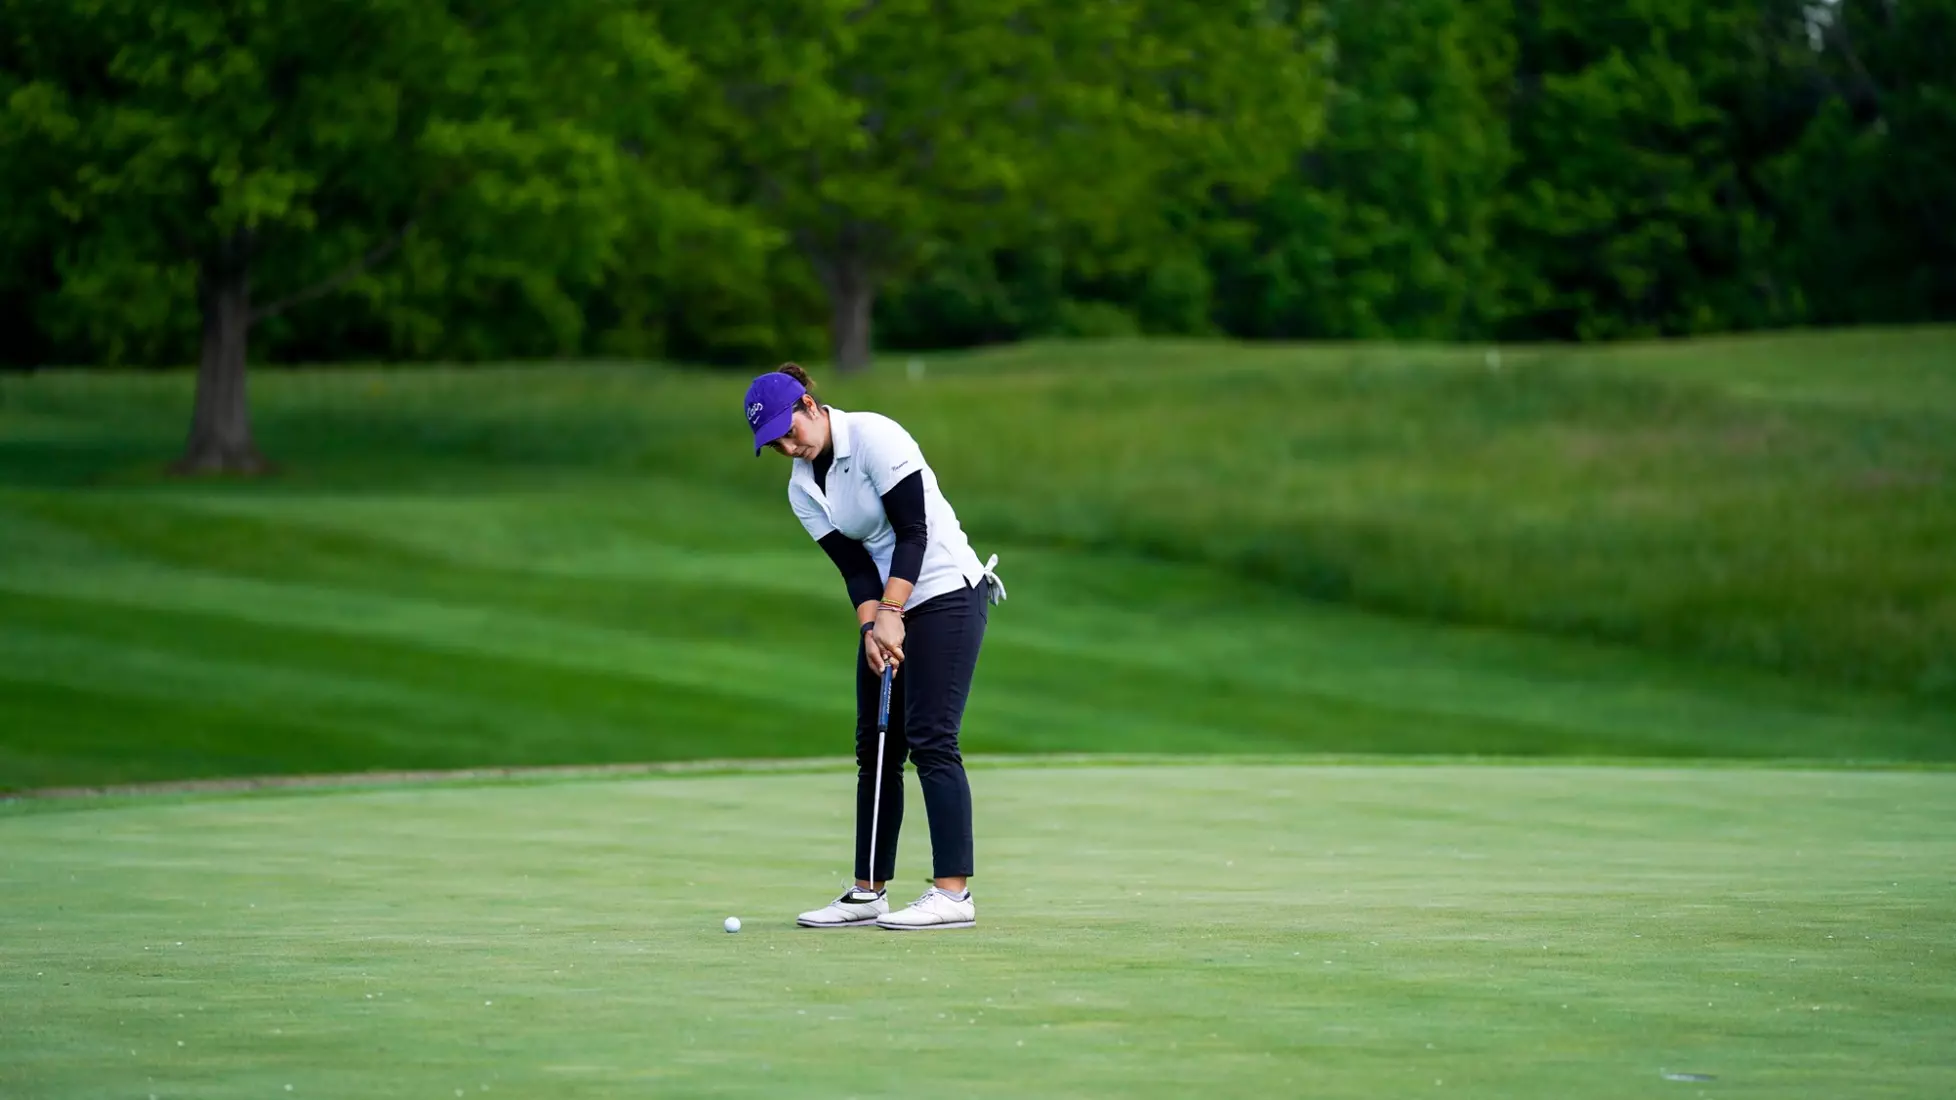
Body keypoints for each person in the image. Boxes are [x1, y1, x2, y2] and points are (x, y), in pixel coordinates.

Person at [743, 363, 1006, 931]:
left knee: (932, 735)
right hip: (888, 606)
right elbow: (855, 568)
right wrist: (873, 628)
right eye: (776, 445)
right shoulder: (802, 489)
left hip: (945, 591)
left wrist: (892, 613)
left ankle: (953, 895)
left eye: (791, 432)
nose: (790, 447)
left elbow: (914, 532)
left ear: (810, 405)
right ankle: (868, 891)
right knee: (877, 745)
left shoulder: (875, 437)